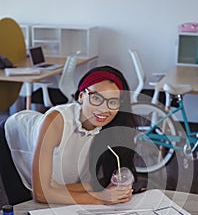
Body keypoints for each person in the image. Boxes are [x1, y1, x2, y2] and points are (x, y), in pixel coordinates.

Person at [4, 65, 137, 205]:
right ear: (81, 96)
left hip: (51, 146)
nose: (104, 109)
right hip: (15, 138)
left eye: (113, 102)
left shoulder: (110, 126)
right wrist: (101, 198)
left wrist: (122, 182)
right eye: (96, 98)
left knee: (58, 192)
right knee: (24, 205)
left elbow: (96, 183)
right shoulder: (56, 121)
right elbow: (40, 194)